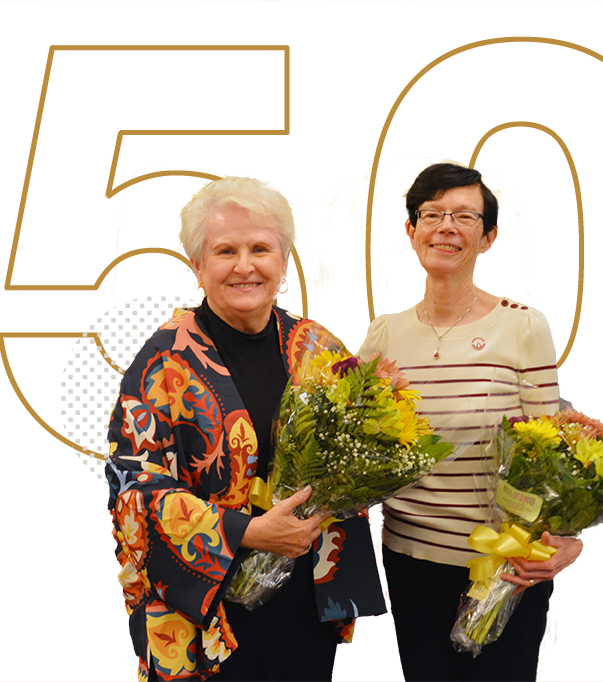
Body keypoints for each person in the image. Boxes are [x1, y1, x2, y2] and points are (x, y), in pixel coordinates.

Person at [105, 177, 385, 682]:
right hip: (205, 605)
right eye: (225, 250)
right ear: (197, 265)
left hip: (304, 596)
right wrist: (248, 532)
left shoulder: (319, 348)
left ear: (283, 260)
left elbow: (364, 452)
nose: (244, 265)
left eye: (260, 248)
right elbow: (134, 487)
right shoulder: (161, 362)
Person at [358, 162, 583, 681]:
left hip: (504, 567)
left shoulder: (522, 325)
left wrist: (567, 540)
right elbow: (368, 447)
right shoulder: (384, 335)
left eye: (464, 216)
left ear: (488, 237)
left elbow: (550, 451)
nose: (446, 227)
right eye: (431, 214)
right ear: (411, 231)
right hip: (410, 561)